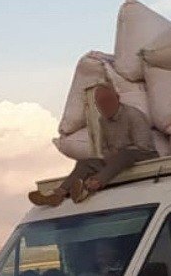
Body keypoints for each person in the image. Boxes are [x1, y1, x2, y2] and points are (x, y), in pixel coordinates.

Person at [29, 83, 157, 207]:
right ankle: (58, 194)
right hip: (117, 159)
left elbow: (144, 146)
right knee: (86, 163)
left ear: (117, 98)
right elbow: (105, 149)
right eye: (100, 103)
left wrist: (117, 154)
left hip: (141, 156)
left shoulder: (133, 115)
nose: (104, 106)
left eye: (107, 100)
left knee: (124, 155)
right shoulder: (103, 121)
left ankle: (92, 185)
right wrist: (109, 157)